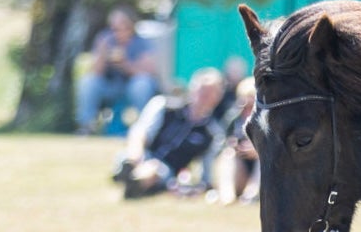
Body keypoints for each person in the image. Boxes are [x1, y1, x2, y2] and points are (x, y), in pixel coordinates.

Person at [111, 68, 226, 199]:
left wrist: (199, 185)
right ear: (192, 88)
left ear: (218, 97)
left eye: (210, 93)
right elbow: (141, 132)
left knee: (155, 169)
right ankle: (131, 172)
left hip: (167, 171)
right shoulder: (164, 105)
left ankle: (134, 181)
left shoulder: (212, 132)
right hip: (142, 154)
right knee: (132, 155)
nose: (204, 96)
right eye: (202, 90)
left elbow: (207, 172)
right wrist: (136, 157)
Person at [77, 6, 162, 134]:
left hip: (132, 88)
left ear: (131, 26)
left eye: (121, 27)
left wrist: (125, 64)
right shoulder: (105, 39)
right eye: (113, 28)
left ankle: (145, 128)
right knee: (88, 82)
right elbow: (95, 72)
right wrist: (102, 53)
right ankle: (86, 126)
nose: (117, 32)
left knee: (142, 83)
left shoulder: (142, 43)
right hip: (110, 87)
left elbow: (150, 72)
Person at [210, 76, 260, 204]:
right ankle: (227, 195)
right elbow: (219, 145)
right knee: (228, 155)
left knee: (263, 159)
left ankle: (252, 193)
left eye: (251, 100)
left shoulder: (266, 120)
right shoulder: (233, 119)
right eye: (244, 100)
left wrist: (258, 151)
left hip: (260, 170)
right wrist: (232, 146)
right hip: (240, 169)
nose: (247, 104)